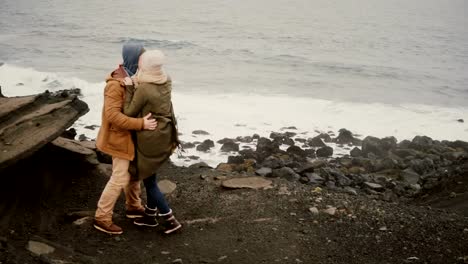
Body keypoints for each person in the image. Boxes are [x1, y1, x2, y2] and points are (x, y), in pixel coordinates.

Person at [94, 42, 158, 235]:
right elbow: (113, 116)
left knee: (134, 174)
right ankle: (101, 217)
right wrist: (141, 124)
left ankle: (133, 206)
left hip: (132, 137)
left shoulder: (133, 77)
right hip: (119, 138)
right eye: (141, 59)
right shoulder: (115, 85)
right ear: (132, 59)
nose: (144, 62)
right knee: (119, 177)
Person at [122, 49, 182, 234]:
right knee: (152, 176)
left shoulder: (145, 88)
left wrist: (130, 87)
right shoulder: (166, 78)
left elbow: (129, 112)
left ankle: (171, 221)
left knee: (150, 182)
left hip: (151, 138)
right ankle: (149, 216)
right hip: (165, 133)